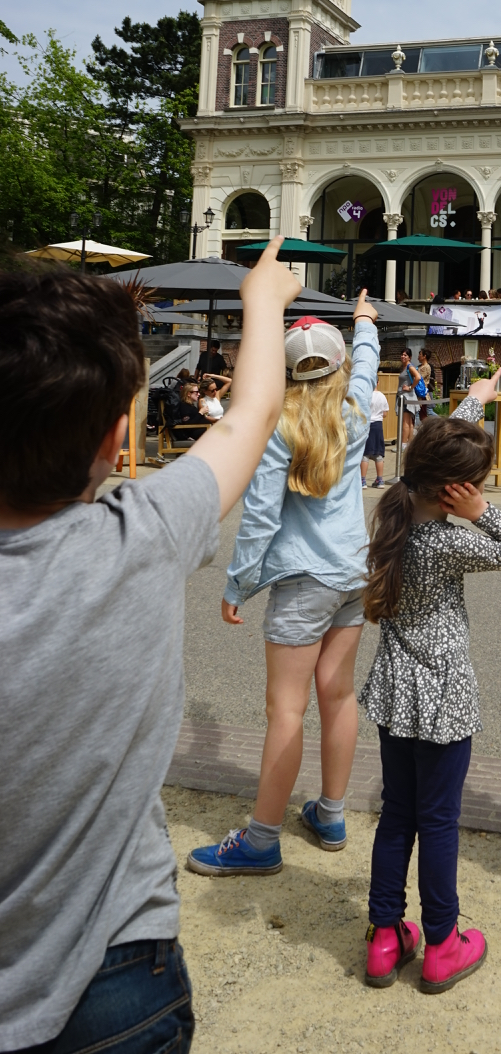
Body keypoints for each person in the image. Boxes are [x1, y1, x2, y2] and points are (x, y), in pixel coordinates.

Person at [0, 237, 301, 1052]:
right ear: (112, 438)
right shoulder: (142, 535)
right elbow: (252, 414)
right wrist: (261, 302)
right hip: (115, 973)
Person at [359, 370, 501, 991]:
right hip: (442, 696)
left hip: (395, 690)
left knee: (396, 815)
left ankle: (385, 937)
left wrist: (474, 402)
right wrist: (481, 512)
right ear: (454, 492)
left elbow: (435, 447)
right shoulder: (444, 542)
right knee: (437, 821)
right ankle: (441, 942)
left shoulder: (395, 509)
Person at [188, 299, 380, 878]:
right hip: (352, 572)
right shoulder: (355, 409)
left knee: (286, 710)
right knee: (338, 695)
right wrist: (364, 322)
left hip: (303, 580)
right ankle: (332, 814)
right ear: (339, 364)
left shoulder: (281, 427)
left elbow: (260, 516)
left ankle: (262, 839)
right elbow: (367, 362)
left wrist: (238, 584)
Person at [361, 384, 390, 488]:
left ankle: (362, 480)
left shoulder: (366, 395)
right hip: (378, 425)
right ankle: (380, 479)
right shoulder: (382, 396)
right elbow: (385, 413)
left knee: (365, 453)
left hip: (367, 424)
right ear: (378, 383)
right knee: (379, 453)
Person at [398, 347, 422, 446]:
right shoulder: (405, 367)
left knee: (405, 422)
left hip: (407, 397)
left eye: (405, 355)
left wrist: (410, 387)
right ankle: (409, 443)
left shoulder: (410, 366)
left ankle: (403, 444)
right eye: (402, 354)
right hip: (409, 397)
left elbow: (418, 377)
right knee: (410, 422)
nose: (403, 356)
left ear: (409, 357)